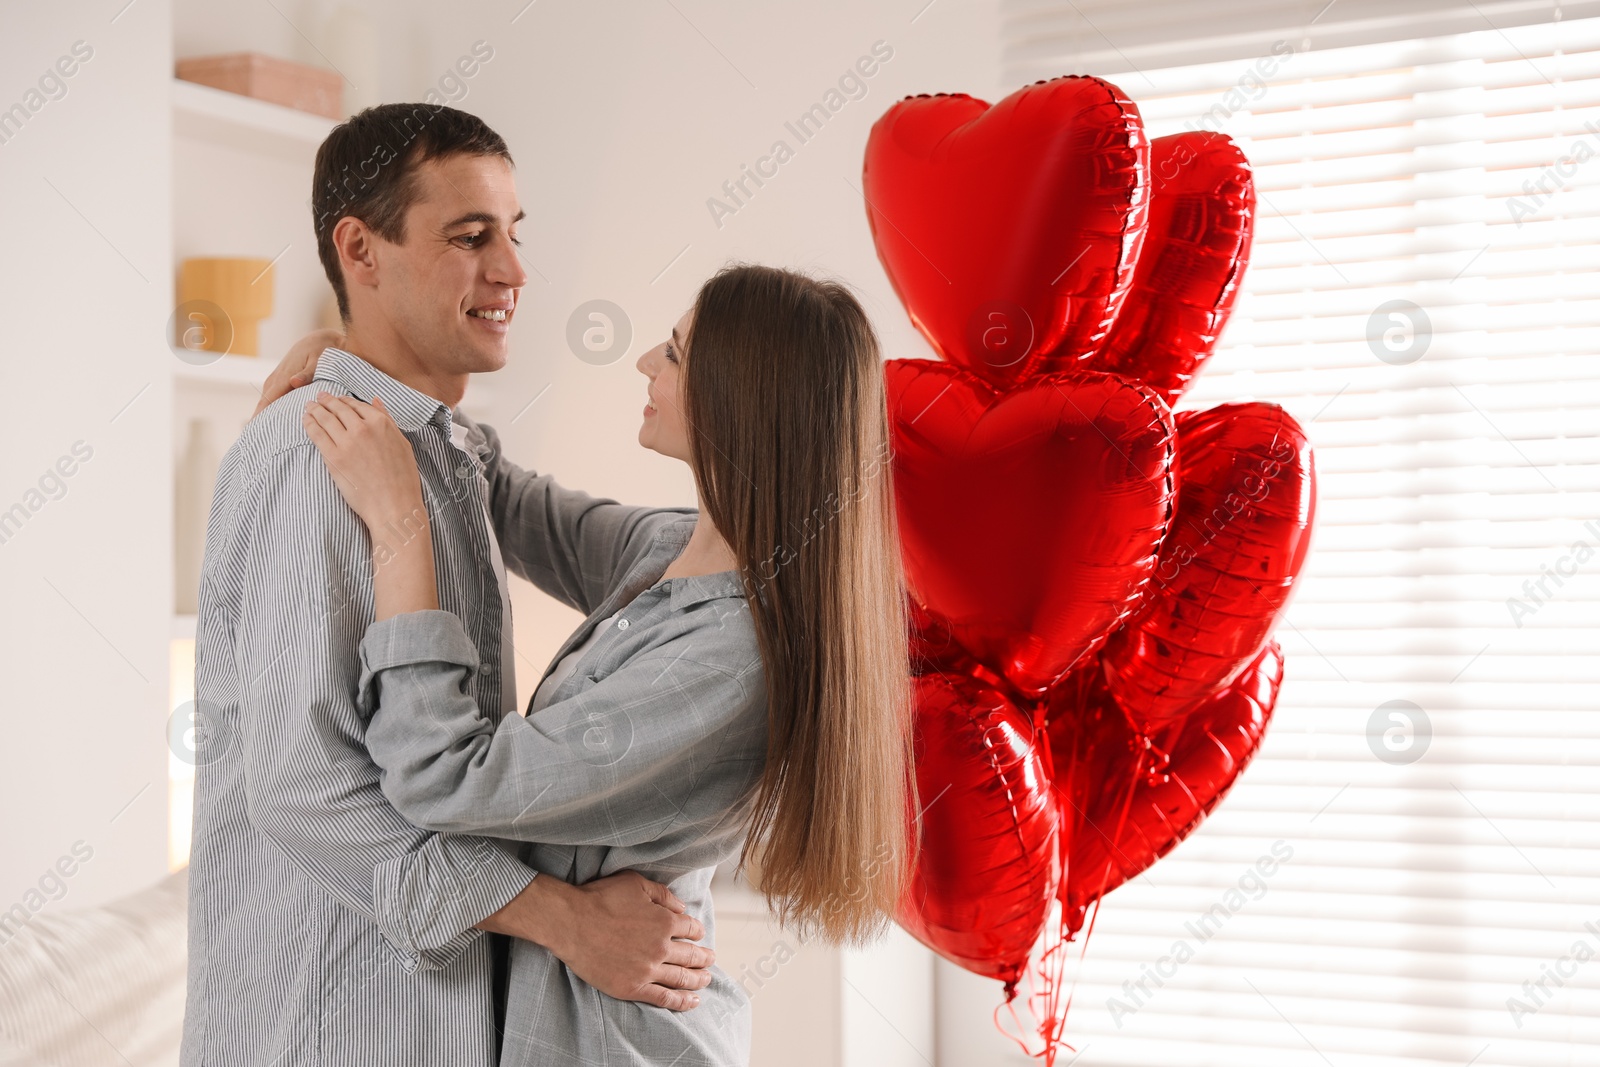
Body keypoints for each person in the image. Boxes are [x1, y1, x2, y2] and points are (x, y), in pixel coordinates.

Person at [268, 261, 917, 1065]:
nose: (647, 361)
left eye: (676, 354)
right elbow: (508, 500)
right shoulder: (676, 549)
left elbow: (445, 777)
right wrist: (362, 359)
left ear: (740, 404)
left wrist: (402, 524)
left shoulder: (727, 664)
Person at [183, 103, 723, 1067]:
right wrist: (566, 921)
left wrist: (344, 361)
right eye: (471, 237)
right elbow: (306, 790)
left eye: (514, 236)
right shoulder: (315, 461)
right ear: (361, 249)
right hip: (329, 1031)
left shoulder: (447, 459)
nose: (513, 272)